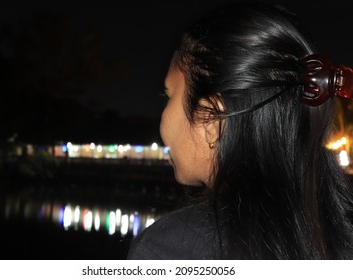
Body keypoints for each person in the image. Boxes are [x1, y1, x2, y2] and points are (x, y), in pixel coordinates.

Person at [127, 1, 353, 259]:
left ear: (211, 119)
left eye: (168, 95)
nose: (164, 115)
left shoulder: (169, 249)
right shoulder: (338, 230)